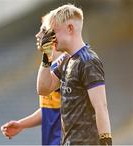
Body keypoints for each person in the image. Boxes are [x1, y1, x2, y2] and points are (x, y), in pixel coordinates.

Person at [37, 4, 112, 145]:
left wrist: (106, 142)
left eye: (54, 32)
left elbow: (101, 106)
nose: (51, 38)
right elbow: (43, 88)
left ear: (70, 28)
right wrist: (46, 57)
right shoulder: (66, 60)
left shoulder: (88, 61)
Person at [1, 13, 67, 145]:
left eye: (43, 30)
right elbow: (52, 108)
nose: (37, 35)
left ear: (55, 35)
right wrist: (21, 124)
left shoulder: (67, 65)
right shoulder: (54, 65)